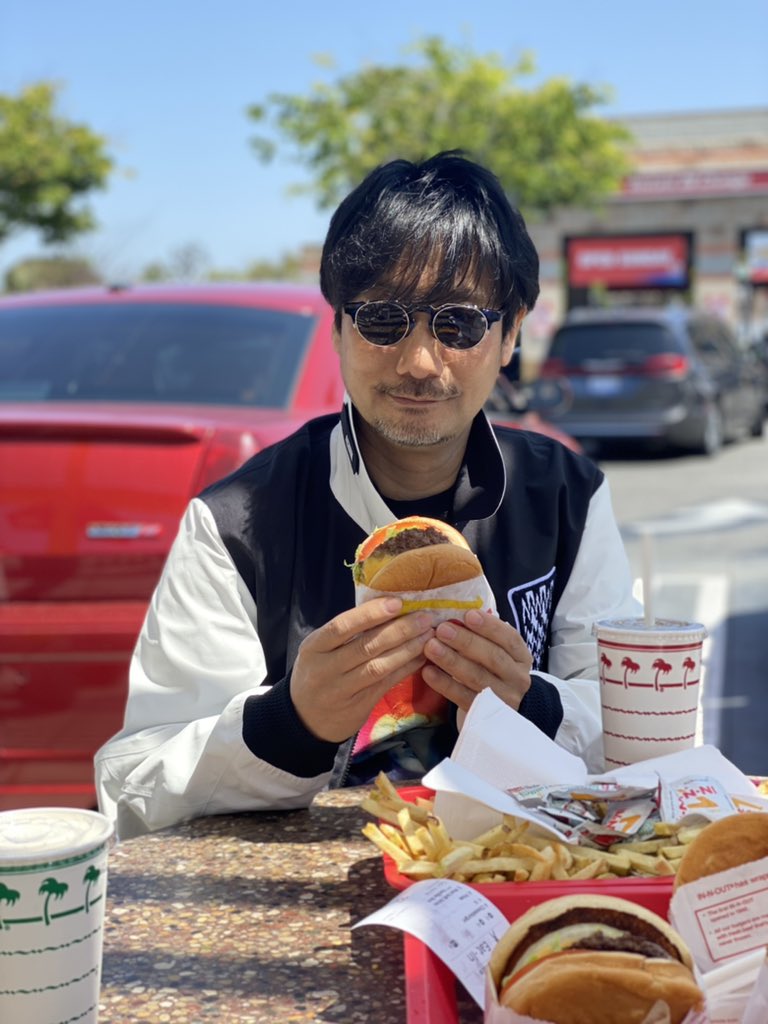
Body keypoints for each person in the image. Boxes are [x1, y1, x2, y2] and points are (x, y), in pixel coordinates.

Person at [95, 151, 640, 838]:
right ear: (337, 327)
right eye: (383, 319)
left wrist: (531, 705)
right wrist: (291, 720)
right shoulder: (234, 524)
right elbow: (135, 783)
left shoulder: (567, 496)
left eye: (459, 324)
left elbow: (640, 733)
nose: (419, 362)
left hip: (517, 871)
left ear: (512, 333)